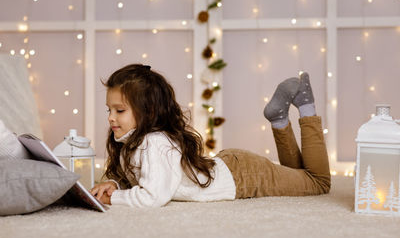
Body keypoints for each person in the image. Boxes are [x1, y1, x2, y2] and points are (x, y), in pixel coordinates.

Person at [90, 64, 331, 207]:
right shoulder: (134, 142)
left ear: (149, 111)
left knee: (318, 182)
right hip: (234, 168)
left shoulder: (154, 143)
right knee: (301, 177)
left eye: (119, 110)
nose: (111, 117)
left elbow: (153, 197)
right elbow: (142, 178)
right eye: (109, 110)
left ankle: (306, 107)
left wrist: (115, 199)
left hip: (245, 177)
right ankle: (279, 120)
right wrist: (114, 183)